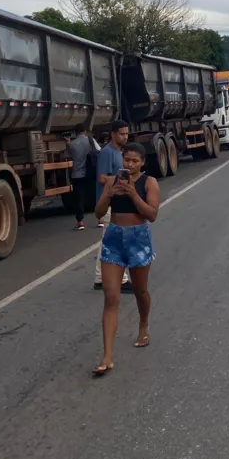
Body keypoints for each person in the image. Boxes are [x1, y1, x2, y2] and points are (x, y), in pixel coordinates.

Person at [93, 141, 160, 375]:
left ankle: (143, 324)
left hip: (138, 238)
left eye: (134, 161)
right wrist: (109, 194)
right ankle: (107, 356)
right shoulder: (112, 181)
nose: (129, 165)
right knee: (111, 297)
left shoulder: (149, 182)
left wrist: (133, 194)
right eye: (126, 160)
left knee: (141, 290)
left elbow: (152, 214)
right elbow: (99, 213)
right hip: (113, 239)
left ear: (142, 162)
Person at [94, 121, 132, 291]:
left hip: (117, 201)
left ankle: (100, 277)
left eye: (127, 133)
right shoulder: (107, 152)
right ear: (113, 134)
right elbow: (102, 178)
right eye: (122, 134)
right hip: (108, 202)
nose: (125, 136)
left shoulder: (120, 153)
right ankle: (121, 280)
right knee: (116, 241)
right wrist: (120, 180)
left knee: (107, 241)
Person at [67, 123, 98, 230]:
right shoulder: (91, 140)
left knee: (79, 198)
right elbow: (99, 151)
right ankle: (100, 220)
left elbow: (70, 154)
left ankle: (80, 222)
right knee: (95, 195)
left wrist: (68, 142)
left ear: (75, 133)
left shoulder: (72, 144)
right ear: (84, 131)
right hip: (90, 173)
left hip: (77, 175)